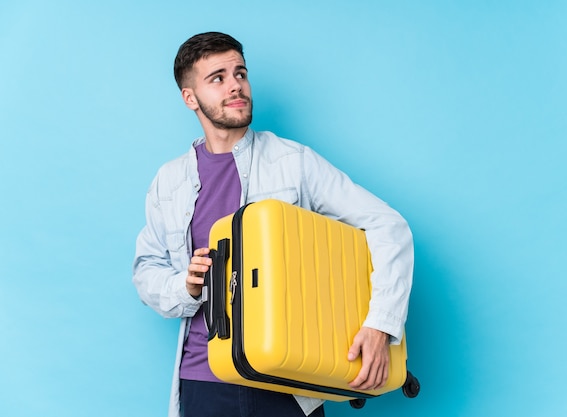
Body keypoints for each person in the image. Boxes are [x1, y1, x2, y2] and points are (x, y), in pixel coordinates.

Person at [132, 32, 414, 417]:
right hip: (203, 380)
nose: (235, 86)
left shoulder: (293, 162)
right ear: (190, 97)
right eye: (218, 78)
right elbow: (147, 271)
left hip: (284, 378)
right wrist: (186, 285)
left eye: (240, 74)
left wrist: (381, 325)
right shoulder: (168, 182)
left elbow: (389, 227)